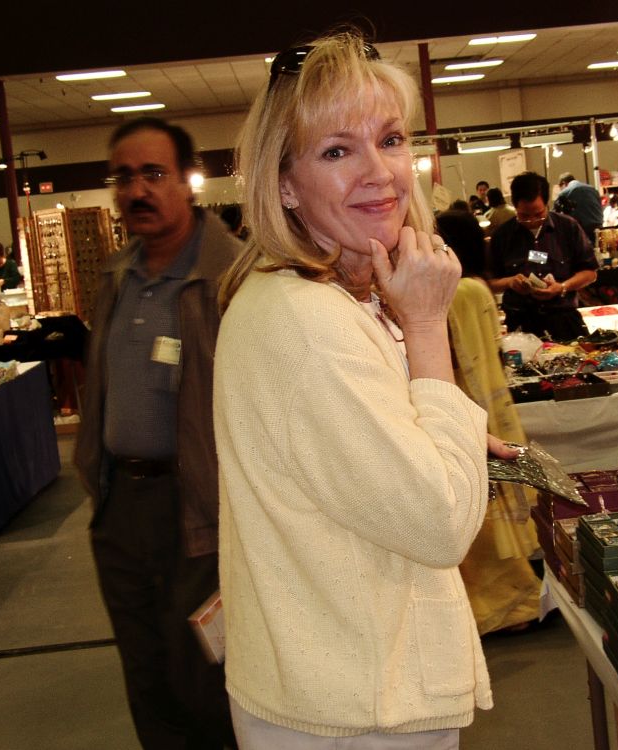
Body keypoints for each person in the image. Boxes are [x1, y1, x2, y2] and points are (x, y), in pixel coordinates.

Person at [214, 32, 514, 747]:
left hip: (347, 678)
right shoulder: (310, 321)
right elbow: (441, 524)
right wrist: (427, 325)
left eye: (390, 139)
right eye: (336, 151)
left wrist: (446, 436)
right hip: (356, 706)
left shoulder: (329, 294)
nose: (380, 173)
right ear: (285, 183)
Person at [74, 117, 240, 750]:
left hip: (201, 510)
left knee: (205, 674)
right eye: (124, 177)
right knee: (145, 674)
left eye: (154, 174)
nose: (137, 190)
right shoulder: (117, 275)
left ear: (188, 181)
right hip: (123, 507)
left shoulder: (230, 276)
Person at [435, 208, 541, 636]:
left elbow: (447, 355)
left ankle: (504, 606)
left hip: (463, 405)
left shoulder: (456, 292)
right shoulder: (477, 288)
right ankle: (516, 600)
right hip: (488, 404)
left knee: (477, 512)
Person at [486, 171, 597, 341]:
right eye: (524, 216)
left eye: (539, 214)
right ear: (514, 206)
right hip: (521, 323)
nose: (532, 221)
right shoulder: (502, 235)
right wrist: (510, 282)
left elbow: (590, 272)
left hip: (563, 320)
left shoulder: (568, 227)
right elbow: (489, 282)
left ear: (547, 204)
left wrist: (562, 287)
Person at [555, 172, 603, 239]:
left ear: (563, 183)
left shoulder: (565, 192)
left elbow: (554, 215)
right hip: (598, 229)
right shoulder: (593, 189)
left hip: (582, 231)